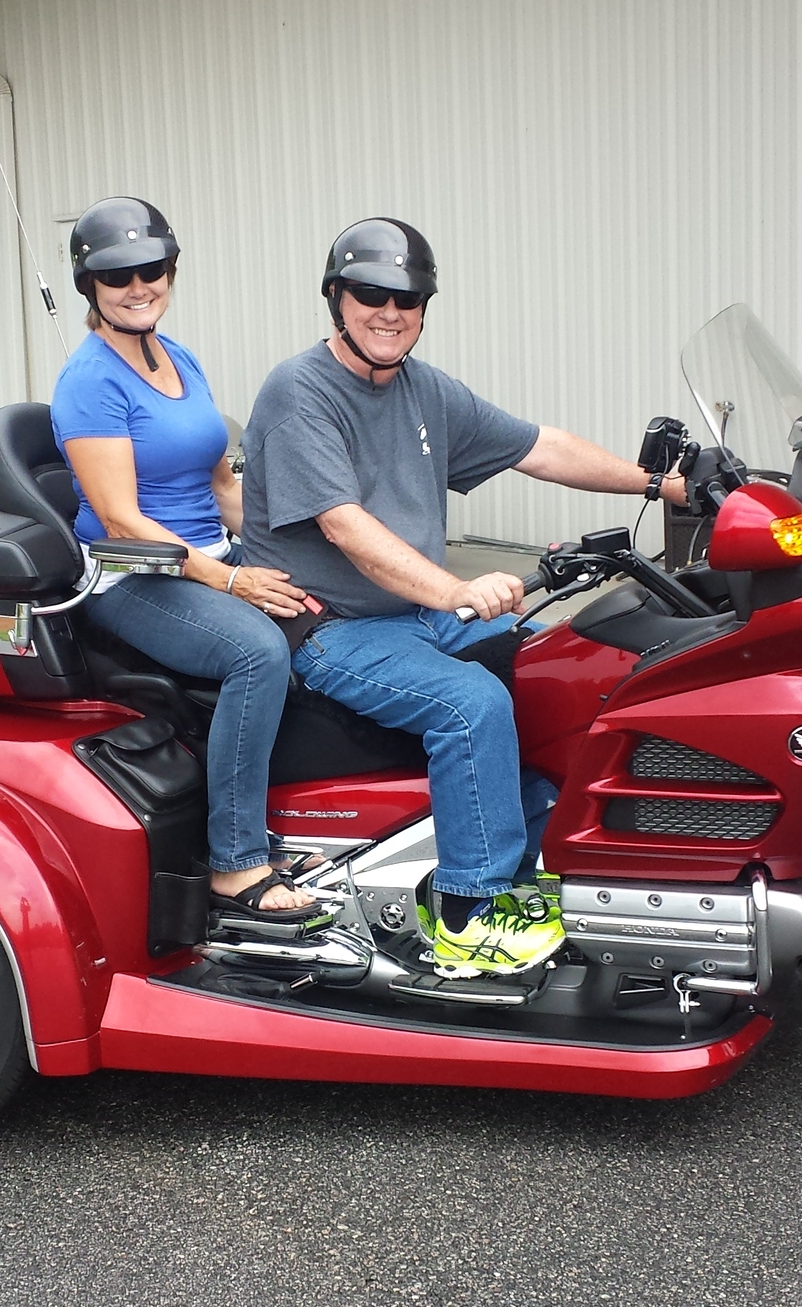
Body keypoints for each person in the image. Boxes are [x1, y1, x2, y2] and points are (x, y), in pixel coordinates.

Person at [238, 217, 689, 976]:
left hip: (417, 616)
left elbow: (541, 447)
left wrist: (664, 484)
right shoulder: (299, 392)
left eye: (407, 298)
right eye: (371, 294)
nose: (390, 311)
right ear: (335, 299)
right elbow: (347, 528)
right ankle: (468, 912)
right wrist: (456, 590)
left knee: (565, 670)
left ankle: (546, 863)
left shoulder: (424, 390)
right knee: (469, 705)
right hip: (334, 627)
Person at [51, 196, 326, 923]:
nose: (140, 286)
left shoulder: (180, 357)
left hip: (205, 553)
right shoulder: (91, 381)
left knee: (325, 610)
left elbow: (221, 485)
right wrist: (232, 579)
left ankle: (298, 818)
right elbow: (121, 518)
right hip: (129, 572)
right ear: (91, 287)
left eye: (153, 269)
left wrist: (297, 548)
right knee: (257, 652)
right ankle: (235, 865)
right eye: (119, 276)